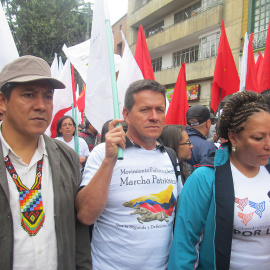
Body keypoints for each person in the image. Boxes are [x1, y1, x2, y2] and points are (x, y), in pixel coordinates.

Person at [76, 79, 182, 270]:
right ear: (126, 114)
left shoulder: (170, 157)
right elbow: (85, 215)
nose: (154, 117)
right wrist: (109, 160)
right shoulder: (103, 153)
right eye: (145, 110)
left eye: (160, 109)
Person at [0, 55, 91, 270]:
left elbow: (77, 235)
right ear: (2, 101)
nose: (41, 106)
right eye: (29, 95)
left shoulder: (66, 157)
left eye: (48, 96)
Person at [168, 91, 270, 269]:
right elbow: (185, 246)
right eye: (258, 138)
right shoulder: (205, 179)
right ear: (233, 138)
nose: (268, 144)